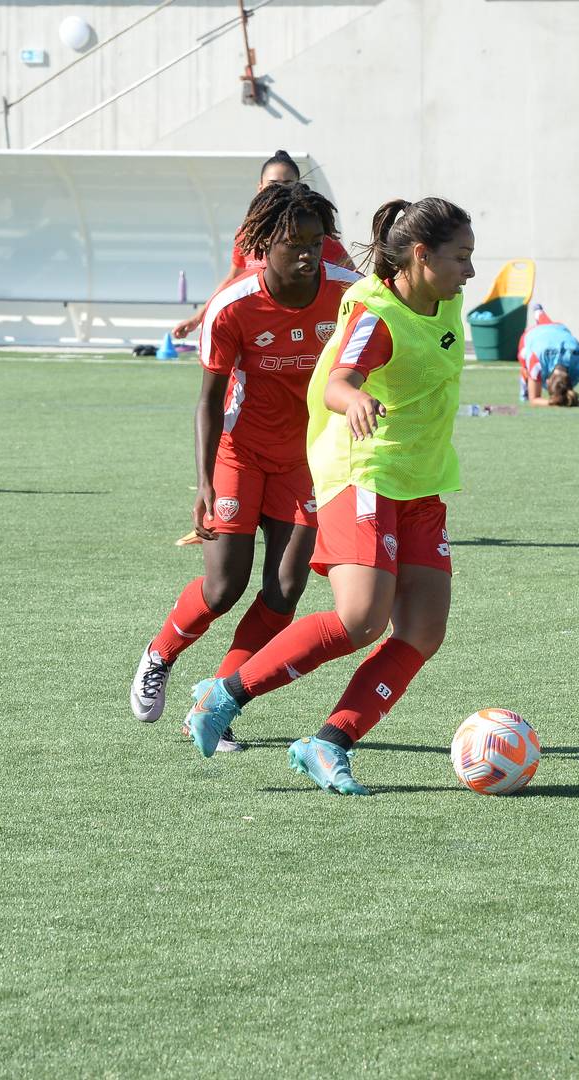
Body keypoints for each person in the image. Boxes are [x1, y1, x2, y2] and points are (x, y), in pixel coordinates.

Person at [183, 196, 475, 796]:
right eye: (461, 257)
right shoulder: (375, 314)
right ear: (422, 256)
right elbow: (339, 381)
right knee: (361, 619)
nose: (470, 271)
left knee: (423, 631)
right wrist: (356, 398)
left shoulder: (445, 298)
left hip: (421, 480)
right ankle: (225, 694)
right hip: (362, 472)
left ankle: (329, 743)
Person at [129, 183, 361, 752]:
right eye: (294, 243)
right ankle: (161, 652)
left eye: (316, 242)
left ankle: (215, 704)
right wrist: (205, 481)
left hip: (306, 460)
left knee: (285, 590)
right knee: (224, 586)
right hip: (240, 453)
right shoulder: (233, 305)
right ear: (263, 246)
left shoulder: (348, 293)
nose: (308, 254)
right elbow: (209, 400)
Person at [171, 151, 354, 341]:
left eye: (288, 184)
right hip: (259, 333)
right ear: (260, 188)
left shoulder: (316, 235)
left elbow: (352, 280)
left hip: (304, 335)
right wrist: (198, 318)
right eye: (273, 184)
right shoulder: (248, 234)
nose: (279, 191)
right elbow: (232, 279)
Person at [518, 305, 579, 407]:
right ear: (547, 381)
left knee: (547, 324)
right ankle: (525, 377)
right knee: (525, 361)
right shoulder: (537, 361)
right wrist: (556, 402)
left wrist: (563, 401)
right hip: (534, 334)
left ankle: (540, 314)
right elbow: (534, 400)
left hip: (558, 328)